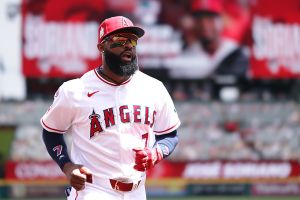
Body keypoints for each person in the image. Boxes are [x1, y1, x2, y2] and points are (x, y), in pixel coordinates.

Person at [40, 16, 181, 200]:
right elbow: (51, 131)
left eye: (132, 40)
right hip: (94, 189)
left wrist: (156, 152)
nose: (128, 45)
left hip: (137, 191)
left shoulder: (154, 88)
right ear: (101, 47)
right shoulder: (75, 91)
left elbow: (169, 135)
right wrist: (67, 166)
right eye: (120, 40)